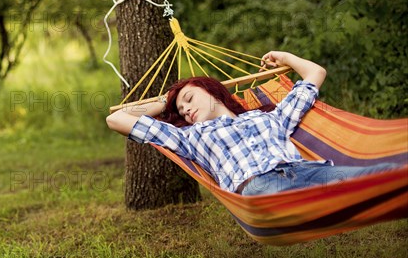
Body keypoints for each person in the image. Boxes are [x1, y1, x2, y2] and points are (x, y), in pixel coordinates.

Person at [106, 51, 398, 195]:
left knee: (388, 174)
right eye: (181, 111)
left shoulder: (271, 117)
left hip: (309, 173)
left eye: (190, 99)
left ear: (212, 91)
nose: (186, 111)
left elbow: (315, 74)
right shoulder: (189, 137)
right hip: (260, 187)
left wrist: (283, 56)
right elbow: (116, 118)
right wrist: (167, 100)